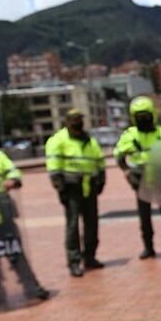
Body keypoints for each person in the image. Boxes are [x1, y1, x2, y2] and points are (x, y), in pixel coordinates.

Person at [0, 122, 50, 306]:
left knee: (15, 252)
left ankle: (32, 288)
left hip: (3, 213)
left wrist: (11, 181)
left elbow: (13, 172)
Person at [114, 96, 161, 259]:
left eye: (146, 115)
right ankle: (148, 248)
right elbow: (119, 155)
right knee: (144, 217)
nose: (143, 119)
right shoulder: (129, 135)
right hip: (141, 179)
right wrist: (127, 171)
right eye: (139, 116)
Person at [46, 109, 106, 277]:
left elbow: (99, 161)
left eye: (80, 119)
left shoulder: (90, 140)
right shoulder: (58, 140)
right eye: (75, 120)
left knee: (92, 223)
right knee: (73, 225)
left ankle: (90, 256)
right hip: (71, 187)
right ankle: (74, 260)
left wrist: (101, 180)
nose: (78, 122)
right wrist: (59, 186)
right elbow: (53, 165)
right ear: (67, 121)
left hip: (89, 186)